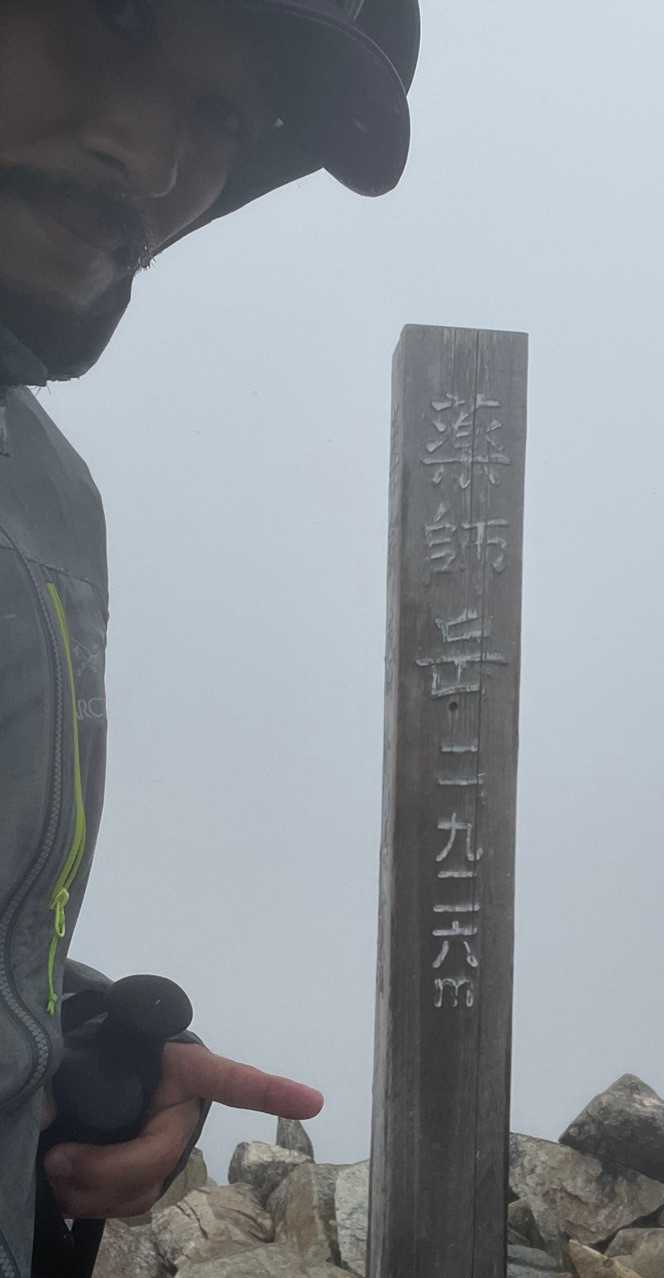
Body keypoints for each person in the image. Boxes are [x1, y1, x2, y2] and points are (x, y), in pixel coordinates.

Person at [0, 2, 420, 1274]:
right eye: (115, 25)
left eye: (221, 115)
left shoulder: (44, 486)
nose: (150, 155)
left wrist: (65, 1050)